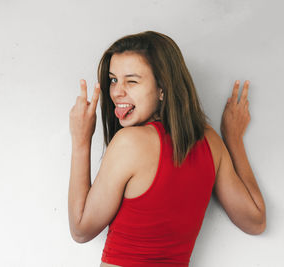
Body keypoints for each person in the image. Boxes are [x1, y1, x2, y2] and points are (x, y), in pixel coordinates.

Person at [68, 31, 266, 267]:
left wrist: (81, 140)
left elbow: (81, 230)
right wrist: (233, 139)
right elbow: (255, 221)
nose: (117, 92)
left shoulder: (129, 143)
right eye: (113, 80)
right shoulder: (210, 141)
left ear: (162, 87)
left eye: (131, 81)